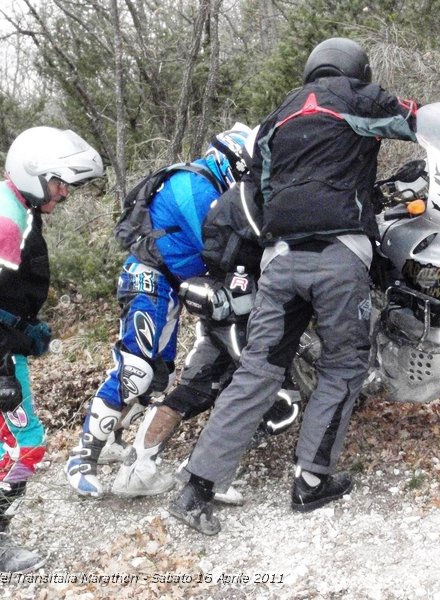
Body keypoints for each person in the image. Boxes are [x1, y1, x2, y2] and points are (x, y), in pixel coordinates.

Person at [167, 37, 419, 535]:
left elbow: (259, 190)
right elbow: (419, 121)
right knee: (344, 366)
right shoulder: (359, 97)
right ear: (356, 70)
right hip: (338, 258)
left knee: (257, 371)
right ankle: (310, 481)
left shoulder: (275, 119)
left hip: (281, 262)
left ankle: (196, 490)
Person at [0, 127, 104, 573]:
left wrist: (22, 327)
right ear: (33, 175)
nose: (64, 193)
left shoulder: (11, 201)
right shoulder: (5, 218)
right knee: (25, 444)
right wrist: (1, 367)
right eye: (58, 182)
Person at [65, 124, 255, 499]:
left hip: (169, 285)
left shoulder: (207, 184)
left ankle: (113, 439)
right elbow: (217, 246)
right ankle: (82, 456)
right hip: (149, 279)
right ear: (228, 160)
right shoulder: (194, 186)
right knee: (135, 371)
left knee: (157, 378)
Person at [110, 174, 301, 501]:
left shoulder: (225, 201)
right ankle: (205, 472)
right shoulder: (259, 204)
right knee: (278, 400)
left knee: (192, 391)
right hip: (240, 318)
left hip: (215, 310)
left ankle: (138, 471)